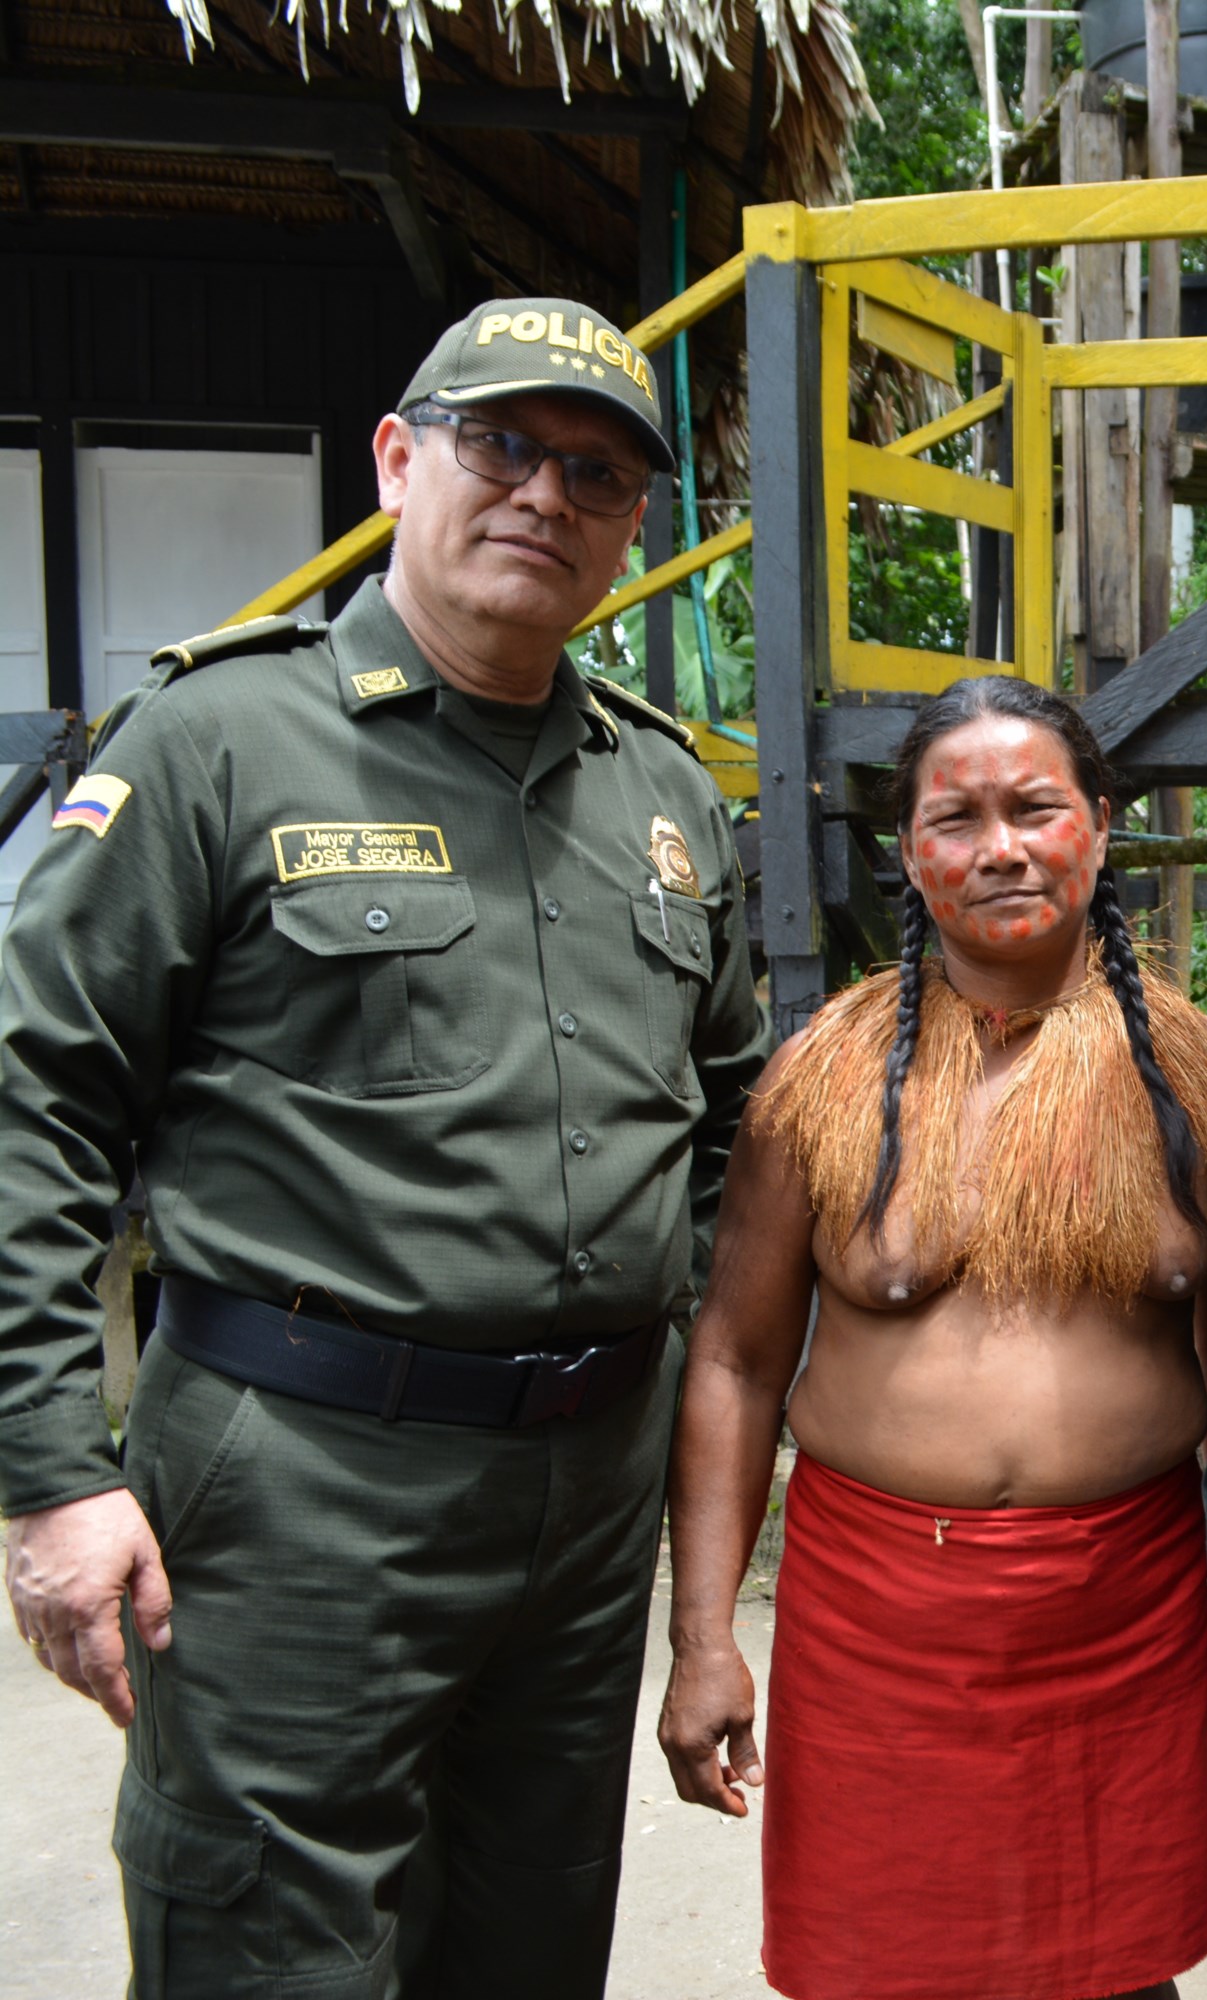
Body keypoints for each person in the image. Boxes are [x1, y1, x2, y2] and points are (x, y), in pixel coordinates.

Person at [0, 298, 767, 1995]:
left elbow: (735, 1141)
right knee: (272, 1943)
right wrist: (53, 1474)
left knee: (529, 1932)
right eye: (501, 445)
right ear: (400, 460)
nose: (543, 497)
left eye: (595, 472)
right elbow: (31, 1103)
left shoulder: (664, 793)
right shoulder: (219, 741)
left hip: (583, 1500)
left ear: (634, 521)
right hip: (302, 1479)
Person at [656, 677, 1207, 2000]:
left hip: (1124, 1606)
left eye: (1035, 808)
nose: (999, 847)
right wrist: (703, 1638)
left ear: (1097, 824)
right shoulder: (819, 1078)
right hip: (879, 1614)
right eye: (956, 817)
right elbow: (737, 1361)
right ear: (910, 852)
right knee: (882, 1965)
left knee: (1114, 1964)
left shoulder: (1205, 1073)